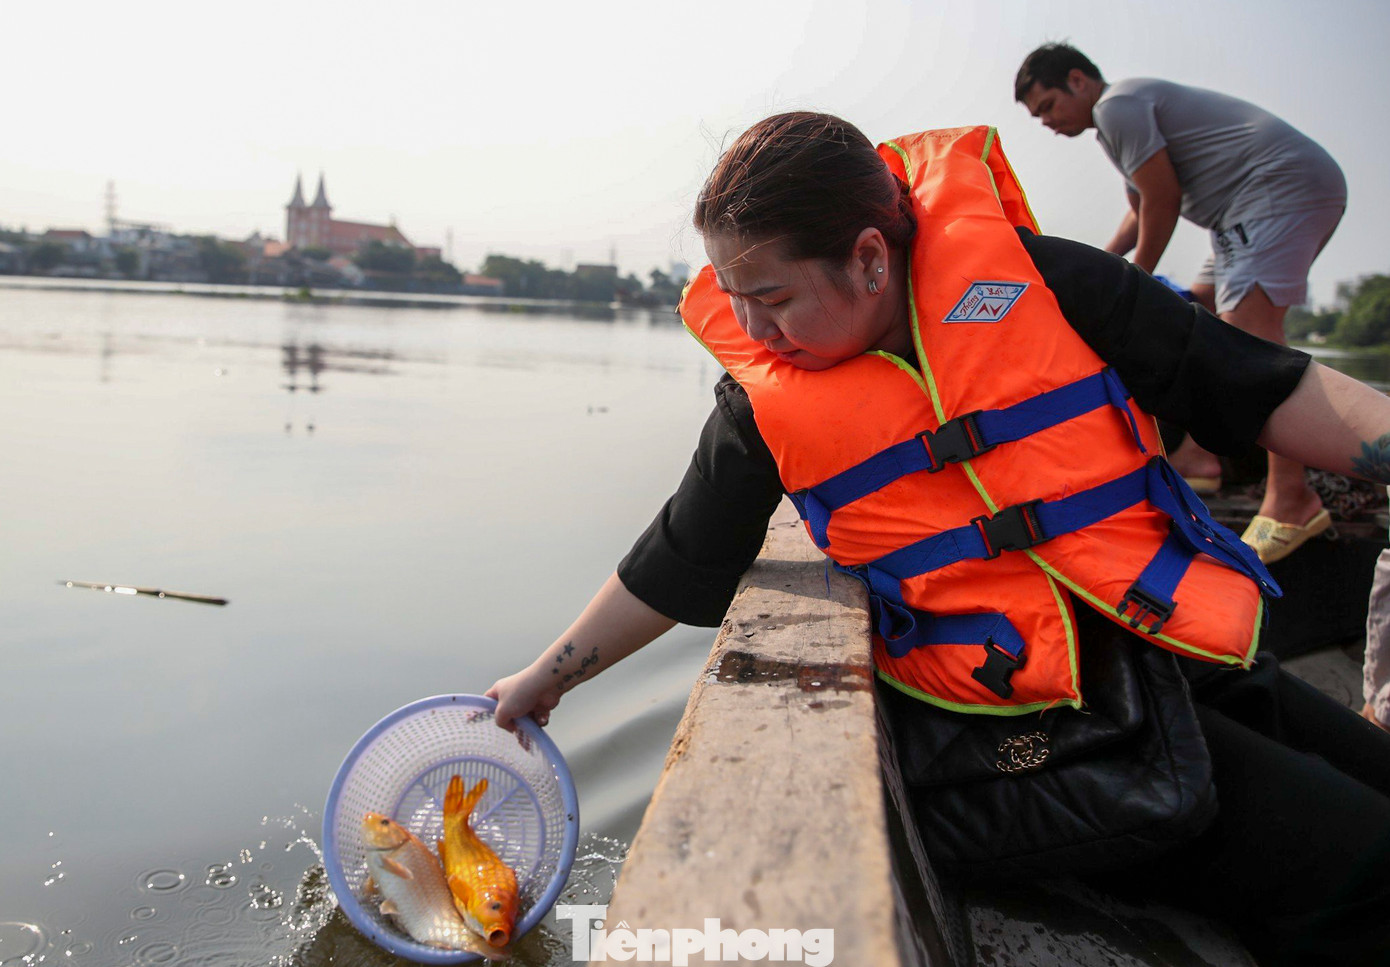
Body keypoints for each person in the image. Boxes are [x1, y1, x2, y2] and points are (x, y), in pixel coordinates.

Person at [487, 112, 1390, 965]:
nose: (755, 332)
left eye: (773, 298)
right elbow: (678, 557)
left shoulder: (1044, 285)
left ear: (870, 259)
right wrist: (546, 677)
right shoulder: (764, 402)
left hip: (1159, 653)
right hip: (1032, 730)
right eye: (736, 300)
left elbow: (1260, 383)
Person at [1013, 43, 1348, 564]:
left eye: (1049, 105)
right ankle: (1199, 455)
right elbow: (1139, 211)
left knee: (1250, 338)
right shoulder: (1112, 126)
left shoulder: (1117, 106)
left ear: (1079, 81)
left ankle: (1291, 500)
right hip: (1240, 212)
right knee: (1195, 317)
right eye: (1038, 117)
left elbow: (1163, 201)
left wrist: (1131, 284)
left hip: (1273, 188)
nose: (1048, 122)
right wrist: (1091, 269)